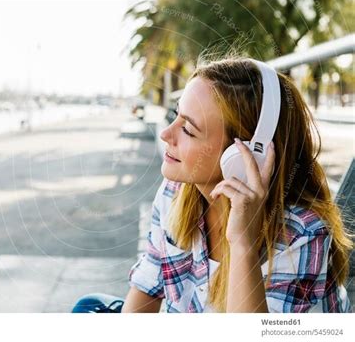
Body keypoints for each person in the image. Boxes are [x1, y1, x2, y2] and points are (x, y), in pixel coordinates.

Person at [71, 56, 353, 313]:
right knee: (88, 308)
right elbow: (146, 290)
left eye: (188, 129)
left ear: (247, 156)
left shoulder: (301, 234)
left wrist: (243, 243)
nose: (167, 134)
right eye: (176, 116)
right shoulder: (175, 193)